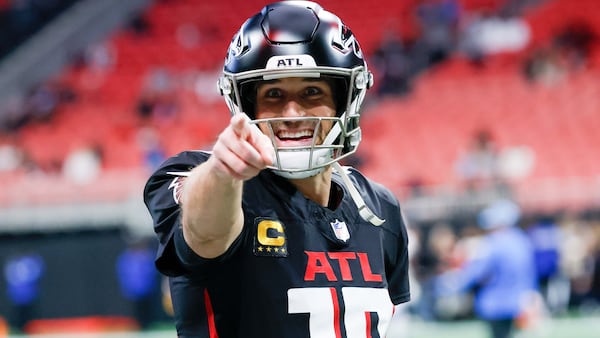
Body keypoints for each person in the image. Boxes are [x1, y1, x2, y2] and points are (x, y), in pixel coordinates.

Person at [143, 1, 411, 337]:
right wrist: (223, 173)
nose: (293, 114)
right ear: (245, 104)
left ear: (345, 100)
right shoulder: (205, 177)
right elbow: (204, 234)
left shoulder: (379, 206)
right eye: (273, 94)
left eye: (312, 91)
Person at [435, 199, 538, 338]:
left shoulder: (492, 243)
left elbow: (476, 273)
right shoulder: (521, 240)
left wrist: (453, 285)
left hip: (495, 304)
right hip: (518, 302)